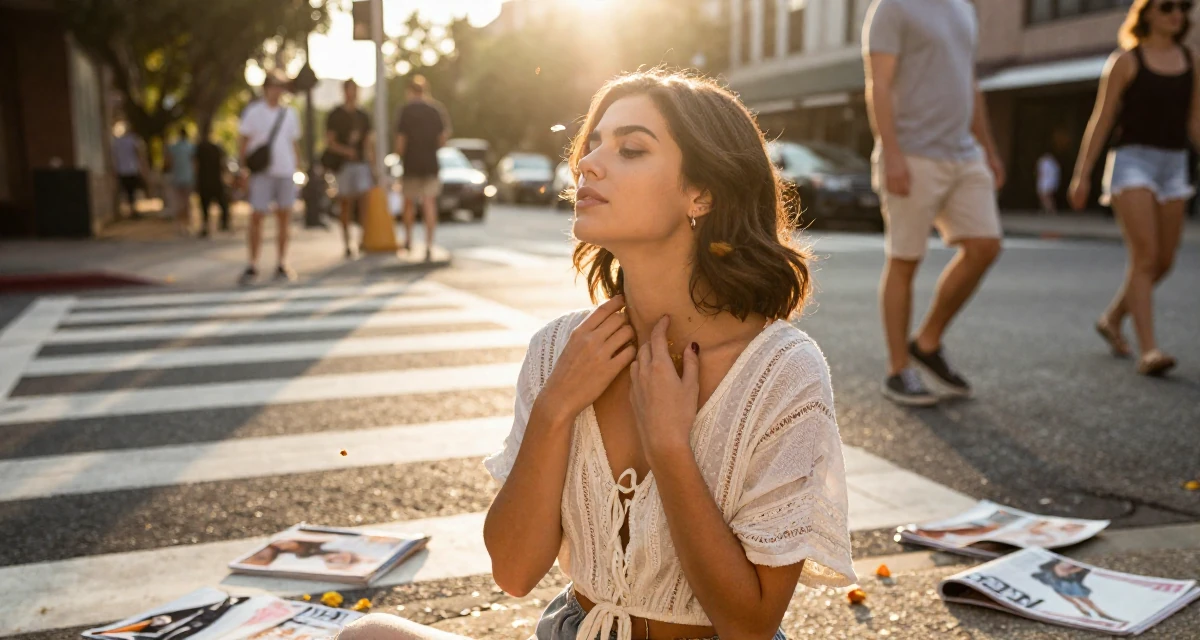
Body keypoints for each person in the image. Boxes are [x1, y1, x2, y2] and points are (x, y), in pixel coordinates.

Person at [339, 70, 855, 640]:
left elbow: (749, 626)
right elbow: (513, 572)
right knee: (367, 636)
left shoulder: (781, 372)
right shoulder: (560, 350)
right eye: (593, 145)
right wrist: (555, 406)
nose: (587, 164)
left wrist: (669, 447)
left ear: (702, 193)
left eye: (630, 149)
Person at [863, 0, 1006, 407]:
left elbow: (969, 84)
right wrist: (891, 153)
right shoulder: (892, 7)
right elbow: (879, 84)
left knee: (985, 245)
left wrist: (988, 149)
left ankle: (927, 342)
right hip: (912, 153)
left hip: (964, 153)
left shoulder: (963, 8)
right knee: (905, 260)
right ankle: (898, 369)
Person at [1069, 0, 1196, 377]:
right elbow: (1102, 118)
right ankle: (1149, 350)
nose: (1177, 13)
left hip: (1175, 164)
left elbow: (1195, 121)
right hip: (1132, 162)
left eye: (1184, 6)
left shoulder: (1192, 60)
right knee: (1145, 257)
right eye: (1167, 6)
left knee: (1165, 261)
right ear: (1147, 12)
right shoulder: (1125, 61)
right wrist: (1082, 174)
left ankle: (1112, 318)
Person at [237, 71, 302, 285]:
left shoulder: (290, 113)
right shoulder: (254, 112)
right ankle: (252, 264)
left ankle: (282, 262)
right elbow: (243, 142)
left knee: (284, 217)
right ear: (266, 88)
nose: (277, 91)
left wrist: (299, 168)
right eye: (274, 86)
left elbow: (294, 143)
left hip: (285, 171)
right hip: (262, 172)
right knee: (257, 216)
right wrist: (243, 170)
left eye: (280, 86)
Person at [394, 75, 451, 262]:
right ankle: (429, 244)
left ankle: (408, 240)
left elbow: (400, 142)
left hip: (411, 164)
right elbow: (443, 140)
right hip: (430, 164)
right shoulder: (435, 110)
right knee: (429, 204)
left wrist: (399, 157)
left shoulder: (405, 111)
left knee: (408, 203)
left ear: (410, 92)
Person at [326, 78, 374, 258]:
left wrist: (373, 166)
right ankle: (347, 242)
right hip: (343, 165)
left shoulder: (363, 115)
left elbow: (369, 143)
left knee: (364, 202)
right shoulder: (335, 115)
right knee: (346, 203)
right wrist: (347, 151)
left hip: (361, 164)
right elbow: (330, 142)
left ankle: (363, 239)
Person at [195, 124, 231, 237]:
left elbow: (195, 165)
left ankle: (207, 226)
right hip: (215, 180)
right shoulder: (216, 148)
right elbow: (223, 164)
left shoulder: (199, 148)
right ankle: (223, 224)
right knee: (222, 203)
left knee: (205, 205)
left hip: (204, 180)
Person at [164, 126, 196, 236]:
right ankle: (187, 226)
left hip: (177, 178)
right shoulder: (190, 147)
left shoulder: (174, 147)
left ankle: (179, 226)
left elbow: (168, 162)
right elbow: (194, 163)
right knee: (186, 203)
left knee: (179, 203)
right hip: (188, 178)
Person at [111, 122, 148, 218]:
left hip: (122, 170)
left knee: (126, 191)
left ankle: (128, 210)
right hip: (132, 169)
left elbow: (114, 157)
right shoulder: (133, 140)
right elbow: (139, 154)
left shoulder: (117, 142)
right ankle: (132, 210)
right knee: (132, 191)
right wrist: (142, 167)